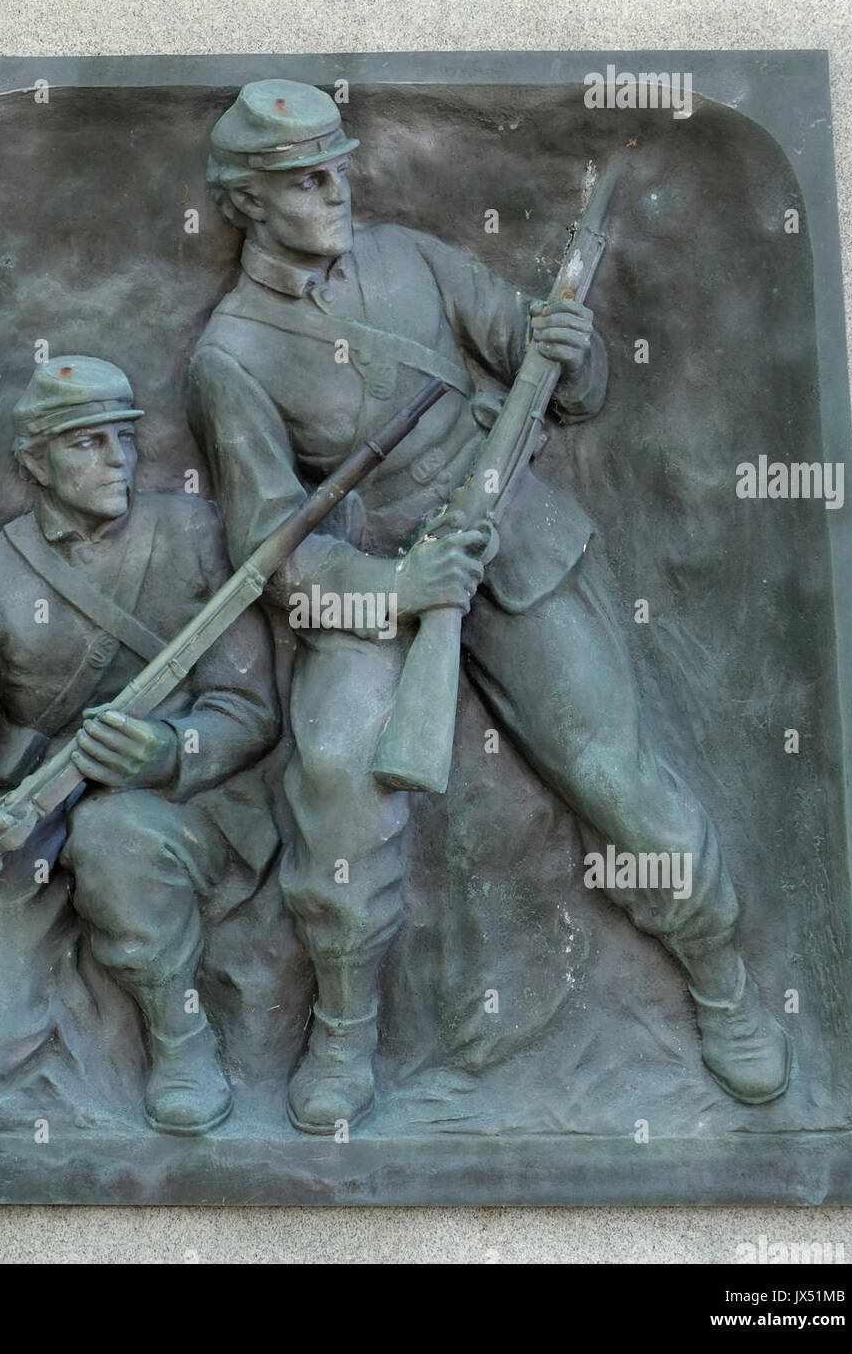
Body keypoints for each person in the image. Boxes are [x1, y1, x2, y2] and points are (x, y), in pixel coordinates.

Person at [186, 79, 791, 1133]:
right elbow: (271, 554)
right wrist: (395, 590)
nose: (336, 188)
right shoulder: (228, 354)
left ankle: (722, 980)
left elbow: (562, 380)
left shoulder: (413, 257)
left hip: (503, 535)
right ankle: (341, 1030)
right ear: (246, 200)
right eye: (304, 178)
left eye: (339, 164)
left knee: (614, 776)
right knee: (336, 771)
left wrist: (566, 344)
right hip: (374, 584)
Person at [0, 355, 280, 1135]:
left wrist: (168, 751)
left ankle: (182, 1040)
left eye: (123, 439)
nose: (117, 461)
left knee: (113, 836)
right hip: (36, 826)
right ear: (37, 461)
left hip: (178, 811)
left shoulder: (196, 535)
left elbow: (247, 708)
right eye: (87, 444)